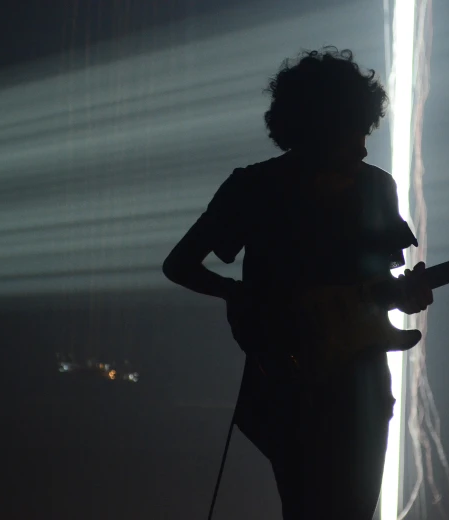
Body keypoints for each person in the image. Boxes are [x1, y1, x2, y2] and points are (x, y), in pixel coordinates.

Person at [162, 47, 433, 520]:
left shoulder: (377, 188)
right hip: (291, 380)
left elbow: (380, 287)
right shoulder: (253, 187)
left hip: (360, 383)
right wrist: (241, 296)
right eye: (354, 132)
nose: (363, 147)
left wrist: (409, 295)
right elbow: (180, 263)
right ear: (324, 125)